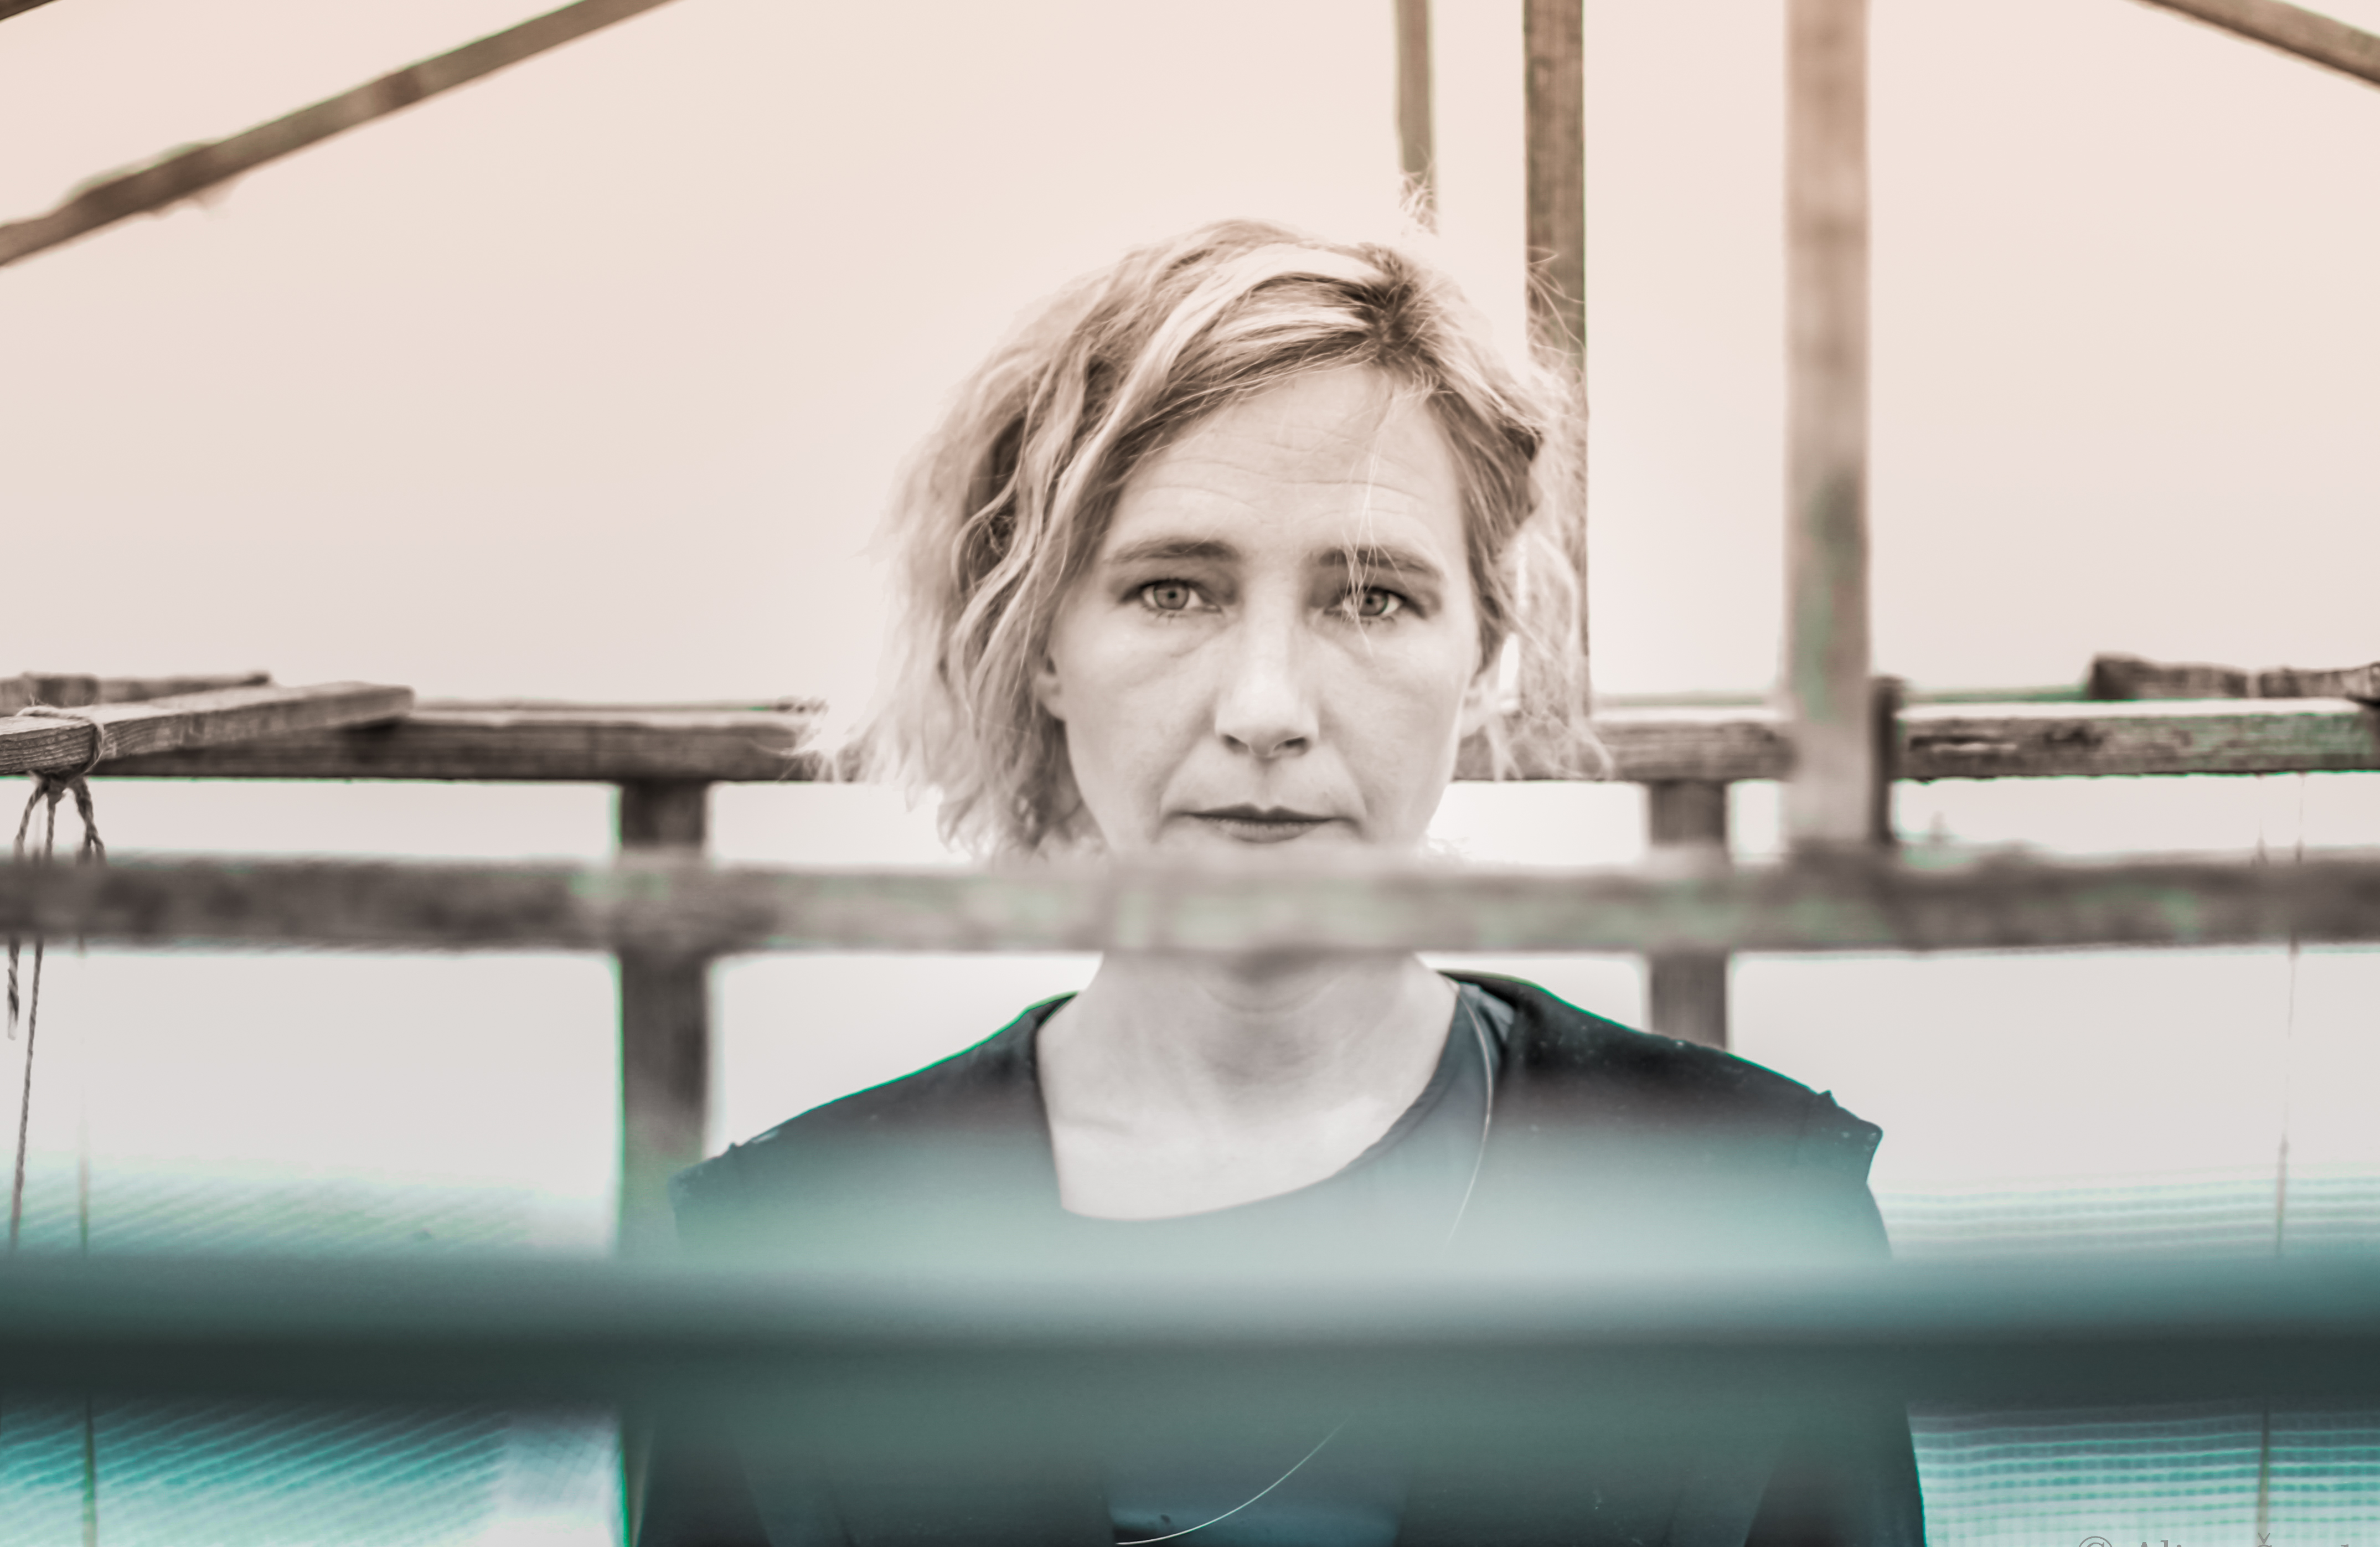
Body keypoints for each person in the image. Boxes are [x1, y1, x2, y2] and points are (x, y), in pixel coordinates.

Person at [639, 220, 1924, 1546]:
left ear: (1484, 654)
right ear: (1042, 647)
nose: (1264, 708)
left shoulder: (1745, 1204)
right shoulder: (790, 1255)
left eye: (1369, 598)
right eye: (1172, 590)